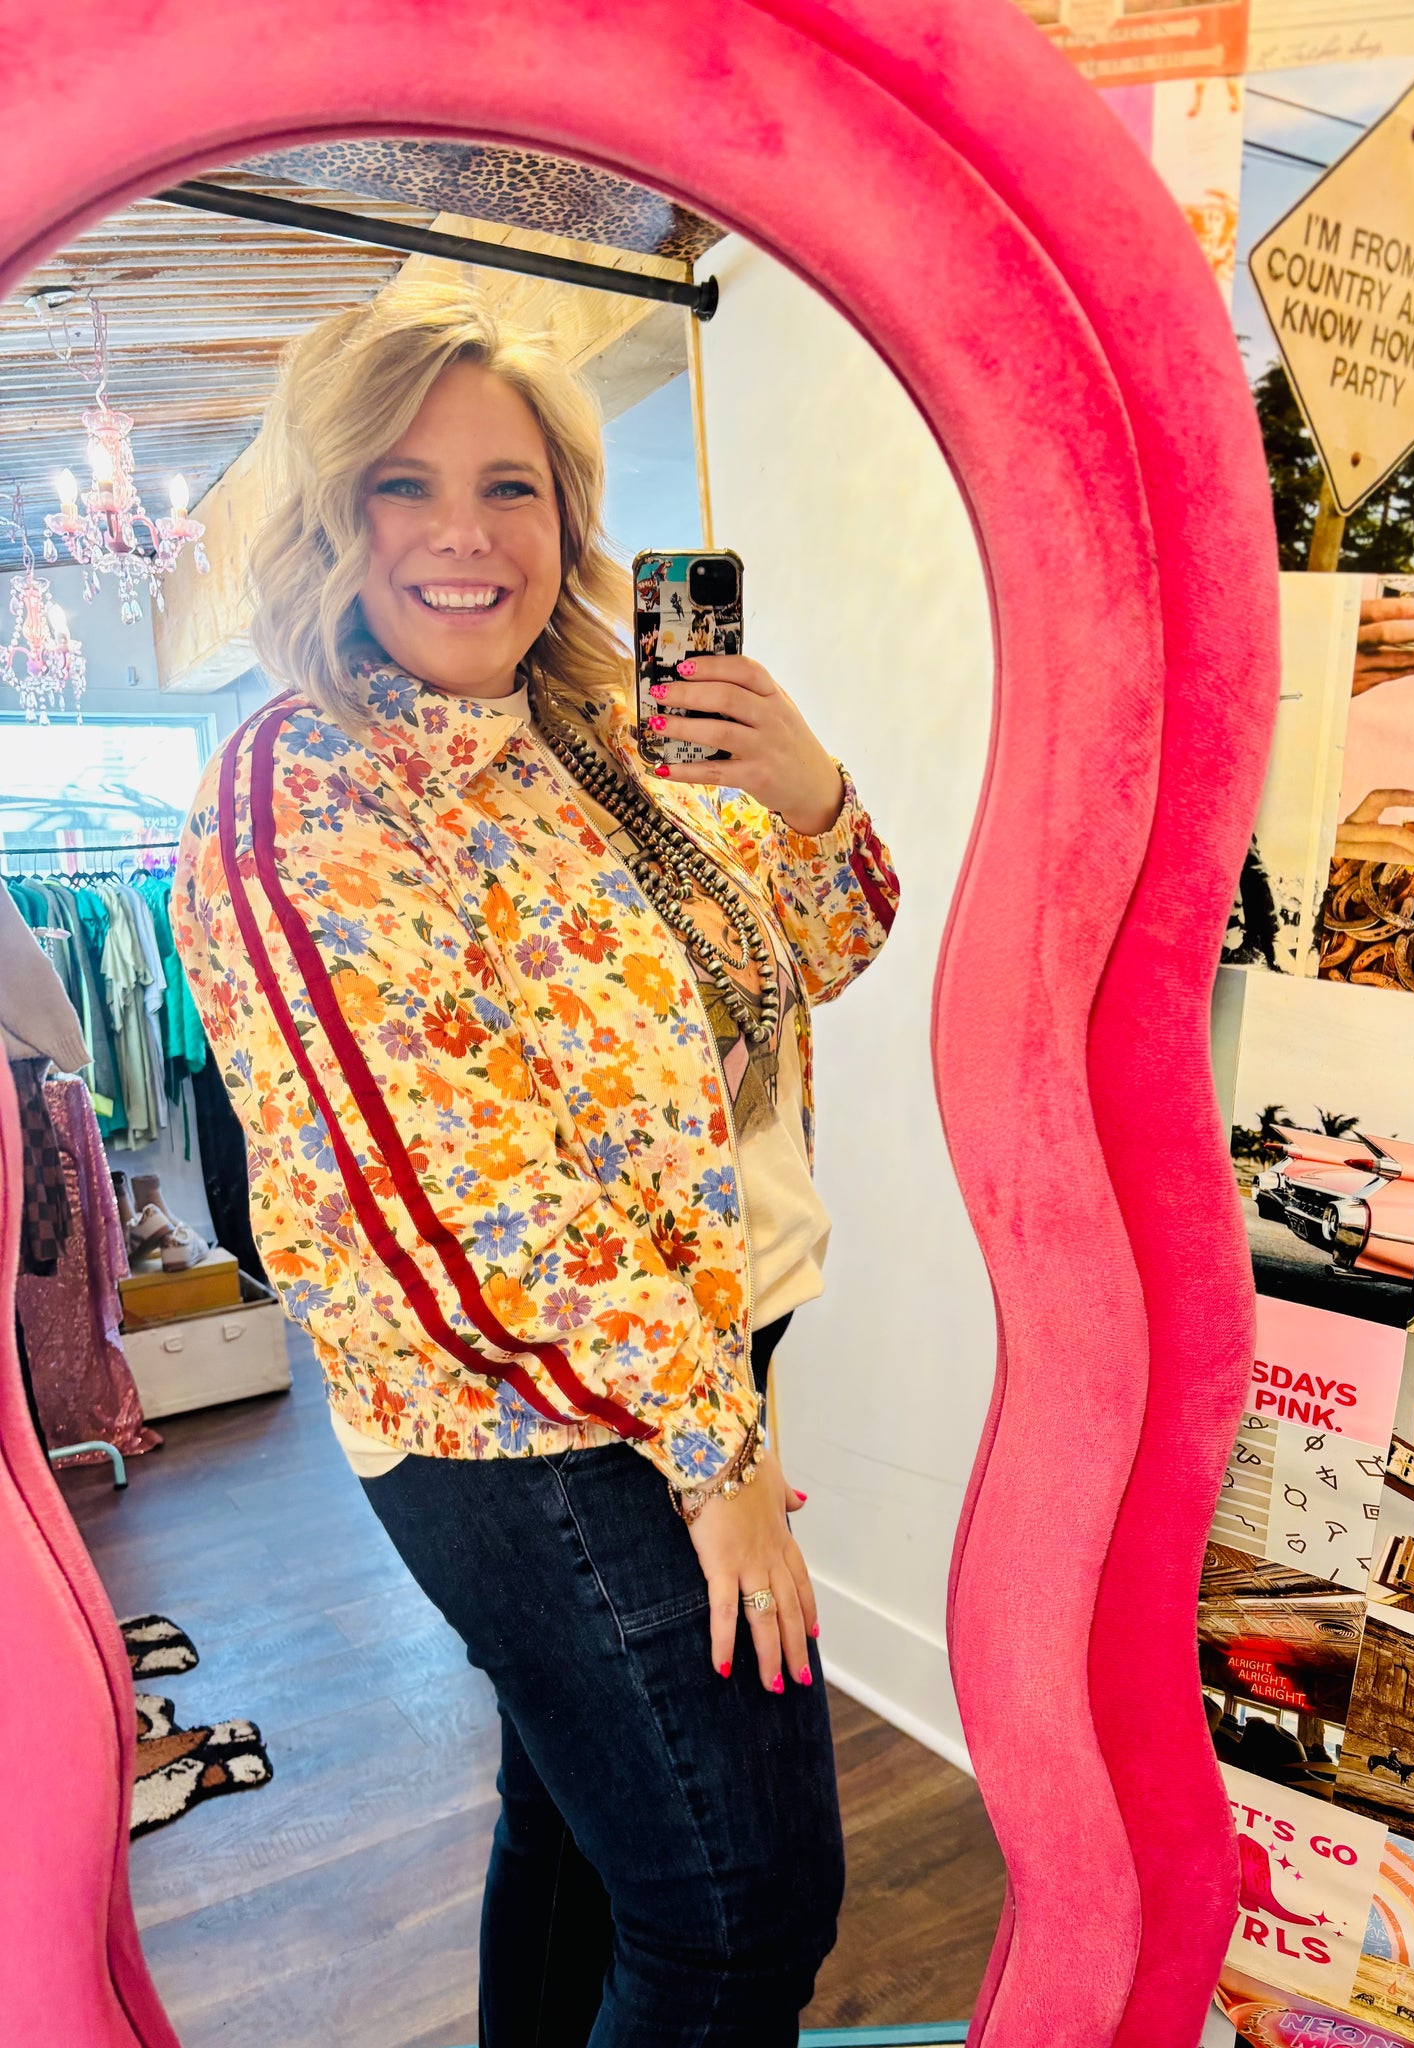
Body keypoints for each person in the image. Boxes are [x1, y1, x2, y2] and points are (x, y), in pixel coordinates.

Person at [172, 280, 900, 2046]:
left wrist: (810, 798)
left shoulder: (601, 727)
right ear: (329, 515)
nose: (466, 536)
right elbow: (461, 1202)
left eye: (511, 485)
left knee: (578, 1830)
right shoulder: (303, 790)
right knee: (741, 1907)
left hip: (703, 1345)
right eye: (403, 486)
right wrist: (720, 1455)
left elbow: (820, 957)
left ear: (569, 513)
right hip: (518, 1420)